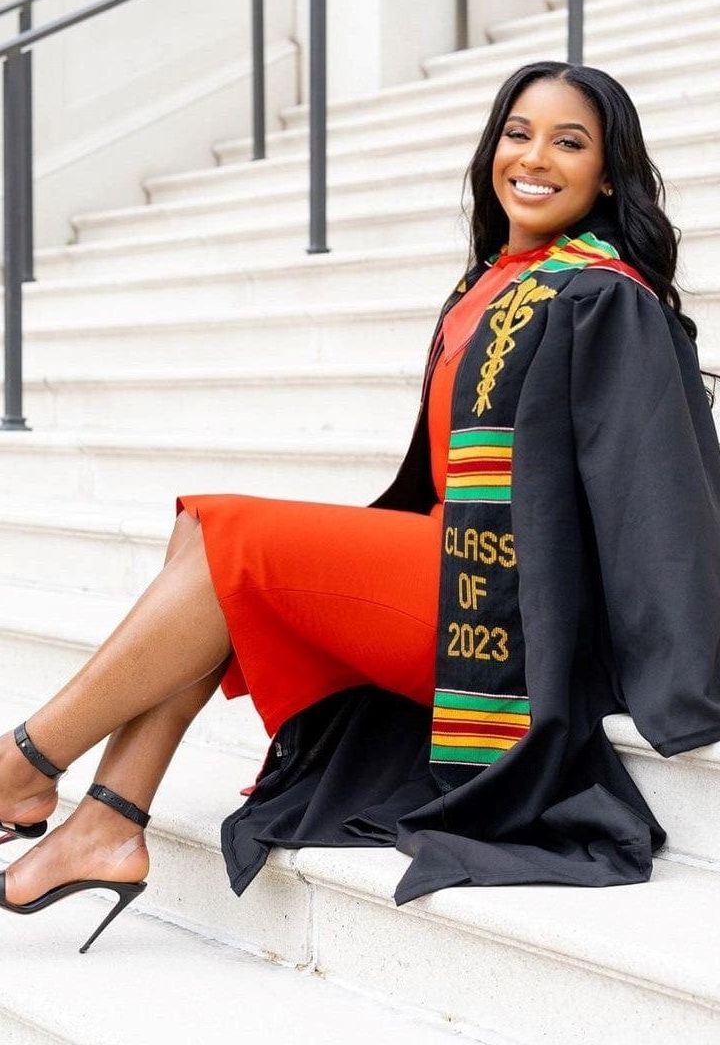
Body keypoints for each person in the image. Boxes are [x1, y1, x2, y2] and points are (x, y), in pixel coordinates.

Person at [2, 60, 720, 952]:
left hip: (513, 614)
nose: (534, 158)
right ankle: (105, 822)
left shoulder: (605, 296)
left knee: (231, 539)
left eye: (570, 143)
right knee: (209, 542)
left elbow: (659, 498)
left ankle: (21, 768)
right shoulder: (491, 285)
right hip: (452, 568)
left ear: (609, 173)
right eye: (517, 133)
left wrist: (680, 668)